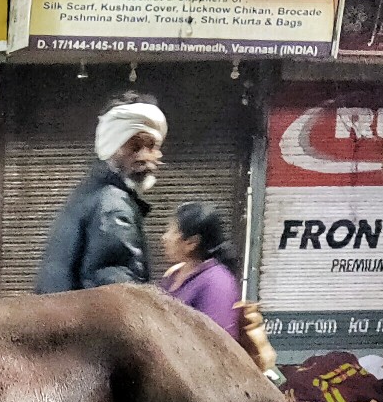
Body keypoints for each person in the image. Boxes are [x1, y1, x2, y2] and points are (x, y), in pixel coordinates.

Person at [35, 94, 167, 293]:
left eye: (152, 147)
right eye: (136, 146)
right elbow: (117, 296)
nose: (147, 156)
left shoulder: (90, 192)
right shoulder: (113, 205)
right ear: (112, 147)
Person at [159, 201, 242, 340]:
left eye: (172, 231)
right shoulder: (175, 274)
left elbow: (216, 343)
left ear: (192, 243)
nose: (164, 237)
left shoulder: (217, 283)